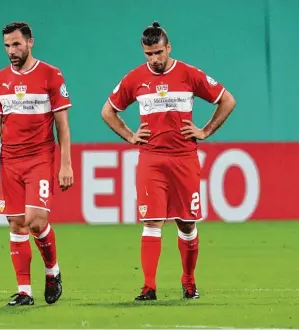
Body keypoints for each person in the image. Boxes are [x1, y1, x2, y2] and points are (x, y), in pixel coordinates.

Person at [101, 21, 236, 300]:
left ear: (169, 47)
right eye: (149, 54)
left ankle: (188, 280)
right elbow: (108, 111)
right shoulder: (135, 78)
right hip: (151, 158)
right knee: (152, 221)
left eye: (159, 52)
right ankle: (149, 287)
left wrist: (205, 131)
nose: (155, 59)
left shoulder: (188, 74)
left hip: (184, 158)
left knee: (186, 223)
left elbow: (227, 100)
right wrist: (129, 135)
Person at [0, 22, 73, 306]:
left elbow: (62, 124)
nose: (12, 50)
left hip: (40, 159)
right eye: (7, 45)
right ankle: (24, 291)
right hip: (10, 160)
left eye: (17, 44)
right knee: (17, 225)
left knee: (35, 221)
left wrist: (65, 164)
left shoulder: (51, 74)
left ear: (30, 42)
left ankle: (52, 270)